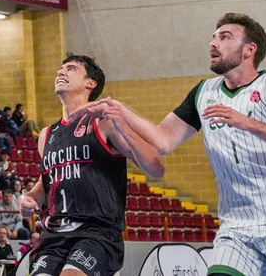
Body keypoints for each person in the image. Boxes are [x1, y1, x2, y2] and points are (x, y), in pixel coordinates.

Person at [73, 13, 266, 275]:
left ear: (249, 50)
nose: (213, 43)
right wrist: (119, 111)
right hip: (238, 224)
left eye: (224, 37)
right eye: (213, 37)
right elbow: (163, 140)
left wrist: (249, 123)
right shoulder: (204, 92)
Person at [19, 56, 162, 276]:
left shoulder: (103, 122)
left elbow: (156, 167)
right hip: (55, 235)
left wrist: (123, 126)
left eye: (71, 68)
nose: (60, 72)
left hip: (96, 232)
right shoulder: (47, 135)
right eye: (60, 69)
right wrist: (28, 198)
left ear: (90, 83)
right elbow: (46, 185)